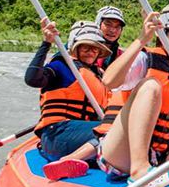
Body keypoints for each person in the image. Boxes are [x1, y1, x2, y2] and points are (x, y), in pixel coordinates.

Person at [43, 4, 169, 187]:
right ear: (162, 34)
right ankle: (139, 172)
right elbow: (109, 81)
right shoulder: (145, 59)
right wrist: (142, 39)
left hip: (160, 155)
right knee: (151, 86)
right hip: (120, 153)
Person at [25, 20, 110, 162]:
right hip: (58, 135)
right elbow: (32, 79)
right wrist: (46, 43)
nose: (91, 52)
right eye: (85, 48)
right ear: (74, 47)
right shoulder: (62, 66)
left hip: (81, 137)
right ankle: (68, 160)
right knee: (118, 131)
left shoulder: (98, 75)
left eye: (95, 48)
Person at [95, 6, 126, 70]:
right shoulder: (84, 50)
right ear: (98, 24)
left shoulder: (122, 56)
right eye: (108, 24)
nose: (113, 30)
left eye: (117, 26)